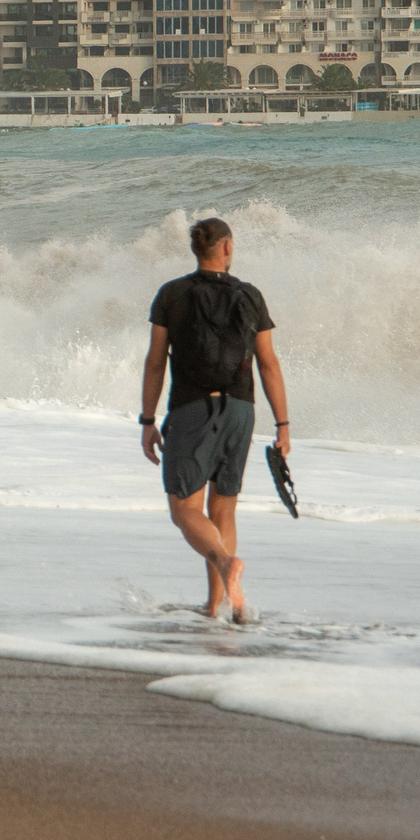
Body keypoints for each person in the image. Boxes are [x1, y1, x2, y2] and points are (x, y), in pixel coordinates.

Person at [140, 217, 288, 622]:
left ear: (198, 249)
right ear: (227, 248)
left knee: (185, 510)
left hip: (192, 410)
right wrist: (283, 426)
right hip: (242, 411)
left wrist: (148, 419)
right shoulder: (250, 295)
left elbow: (155, 362)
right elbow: (268, 363)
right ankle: (219, 606)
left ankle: (225, 563)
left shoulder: (172, 294)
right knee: (224, 511)